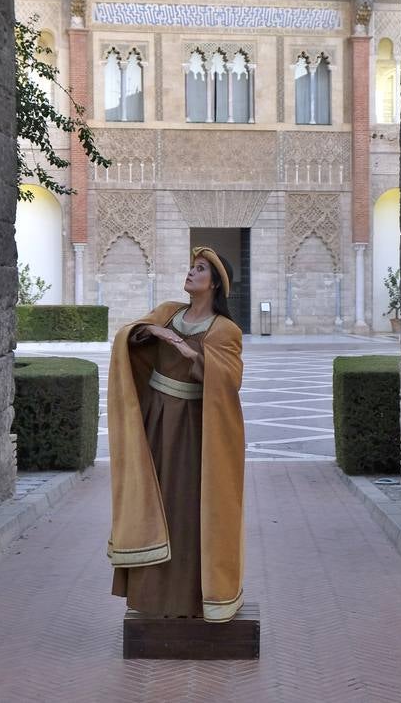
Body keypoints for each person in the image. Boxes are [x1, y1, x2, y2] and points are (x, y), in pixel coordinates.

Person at [107, 246, 245, 623]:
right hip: (156, 421)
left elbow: (230, 380)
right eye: (190, 267)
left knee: (184, 508)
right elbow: (130, 336)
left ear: (215, 283)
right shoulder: (169, 312)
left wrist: (185, 349)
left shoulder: (225, 329)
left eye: (200, 269)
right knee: (151, 502)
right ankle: (151, 596)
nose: (191, 273)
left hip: (191, 431)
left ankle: (187, 599)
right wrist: (150, 331)